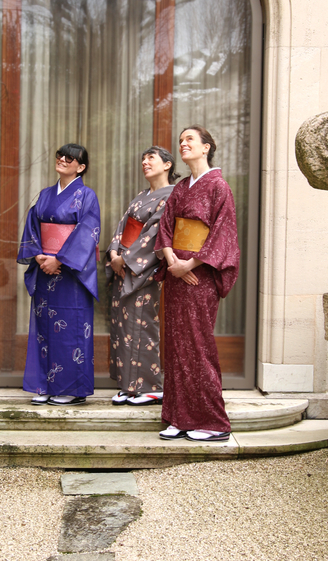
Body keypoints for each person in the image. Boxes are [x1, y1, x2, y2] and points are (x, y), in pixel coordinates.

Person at [154, 126, 240, 441]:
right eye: (181, 140)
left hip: (199, 279)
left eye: (190, 139)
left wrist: (191, 263)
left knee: (198, 346)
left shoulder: (219, 187)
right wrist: (173, 262)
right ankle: (180, 417)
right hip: (177, 275)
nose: (183, 143)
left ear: (206, 147)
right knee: (176, 346)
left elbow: (223, 233)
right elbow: (165, 228)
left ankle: (213, 422)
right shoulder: (179, 189)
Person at [17, 143, 100, 406]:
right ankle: (46, 384)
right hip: (45, 271)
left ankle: (72, 390)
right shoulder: (44, 195)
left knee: (71, 330)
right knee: (45, 330)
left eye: (70, 158)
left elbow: (88, 231)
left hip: (70, 276)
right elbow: (32, 226)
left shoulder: (87, 196)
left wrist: (60, 260)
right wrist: (39, 255)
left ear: (81, 167)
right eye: (60, 155)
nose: (63, 159)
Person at [106, 147, 178, 406]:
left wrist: (124, 260)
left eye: (151, 158)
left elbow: (155, 234)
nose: (145, 162)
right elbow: (122, 227)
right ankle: (129, 385)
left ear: (167, 165)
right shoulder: (140, 197)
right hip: (123, 266)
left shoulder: (171, 196)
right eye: (143, 158)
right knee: (124, 326)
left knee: (142, 325)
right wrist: (114, 252)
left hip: (142, 270)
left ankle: (151, 387)